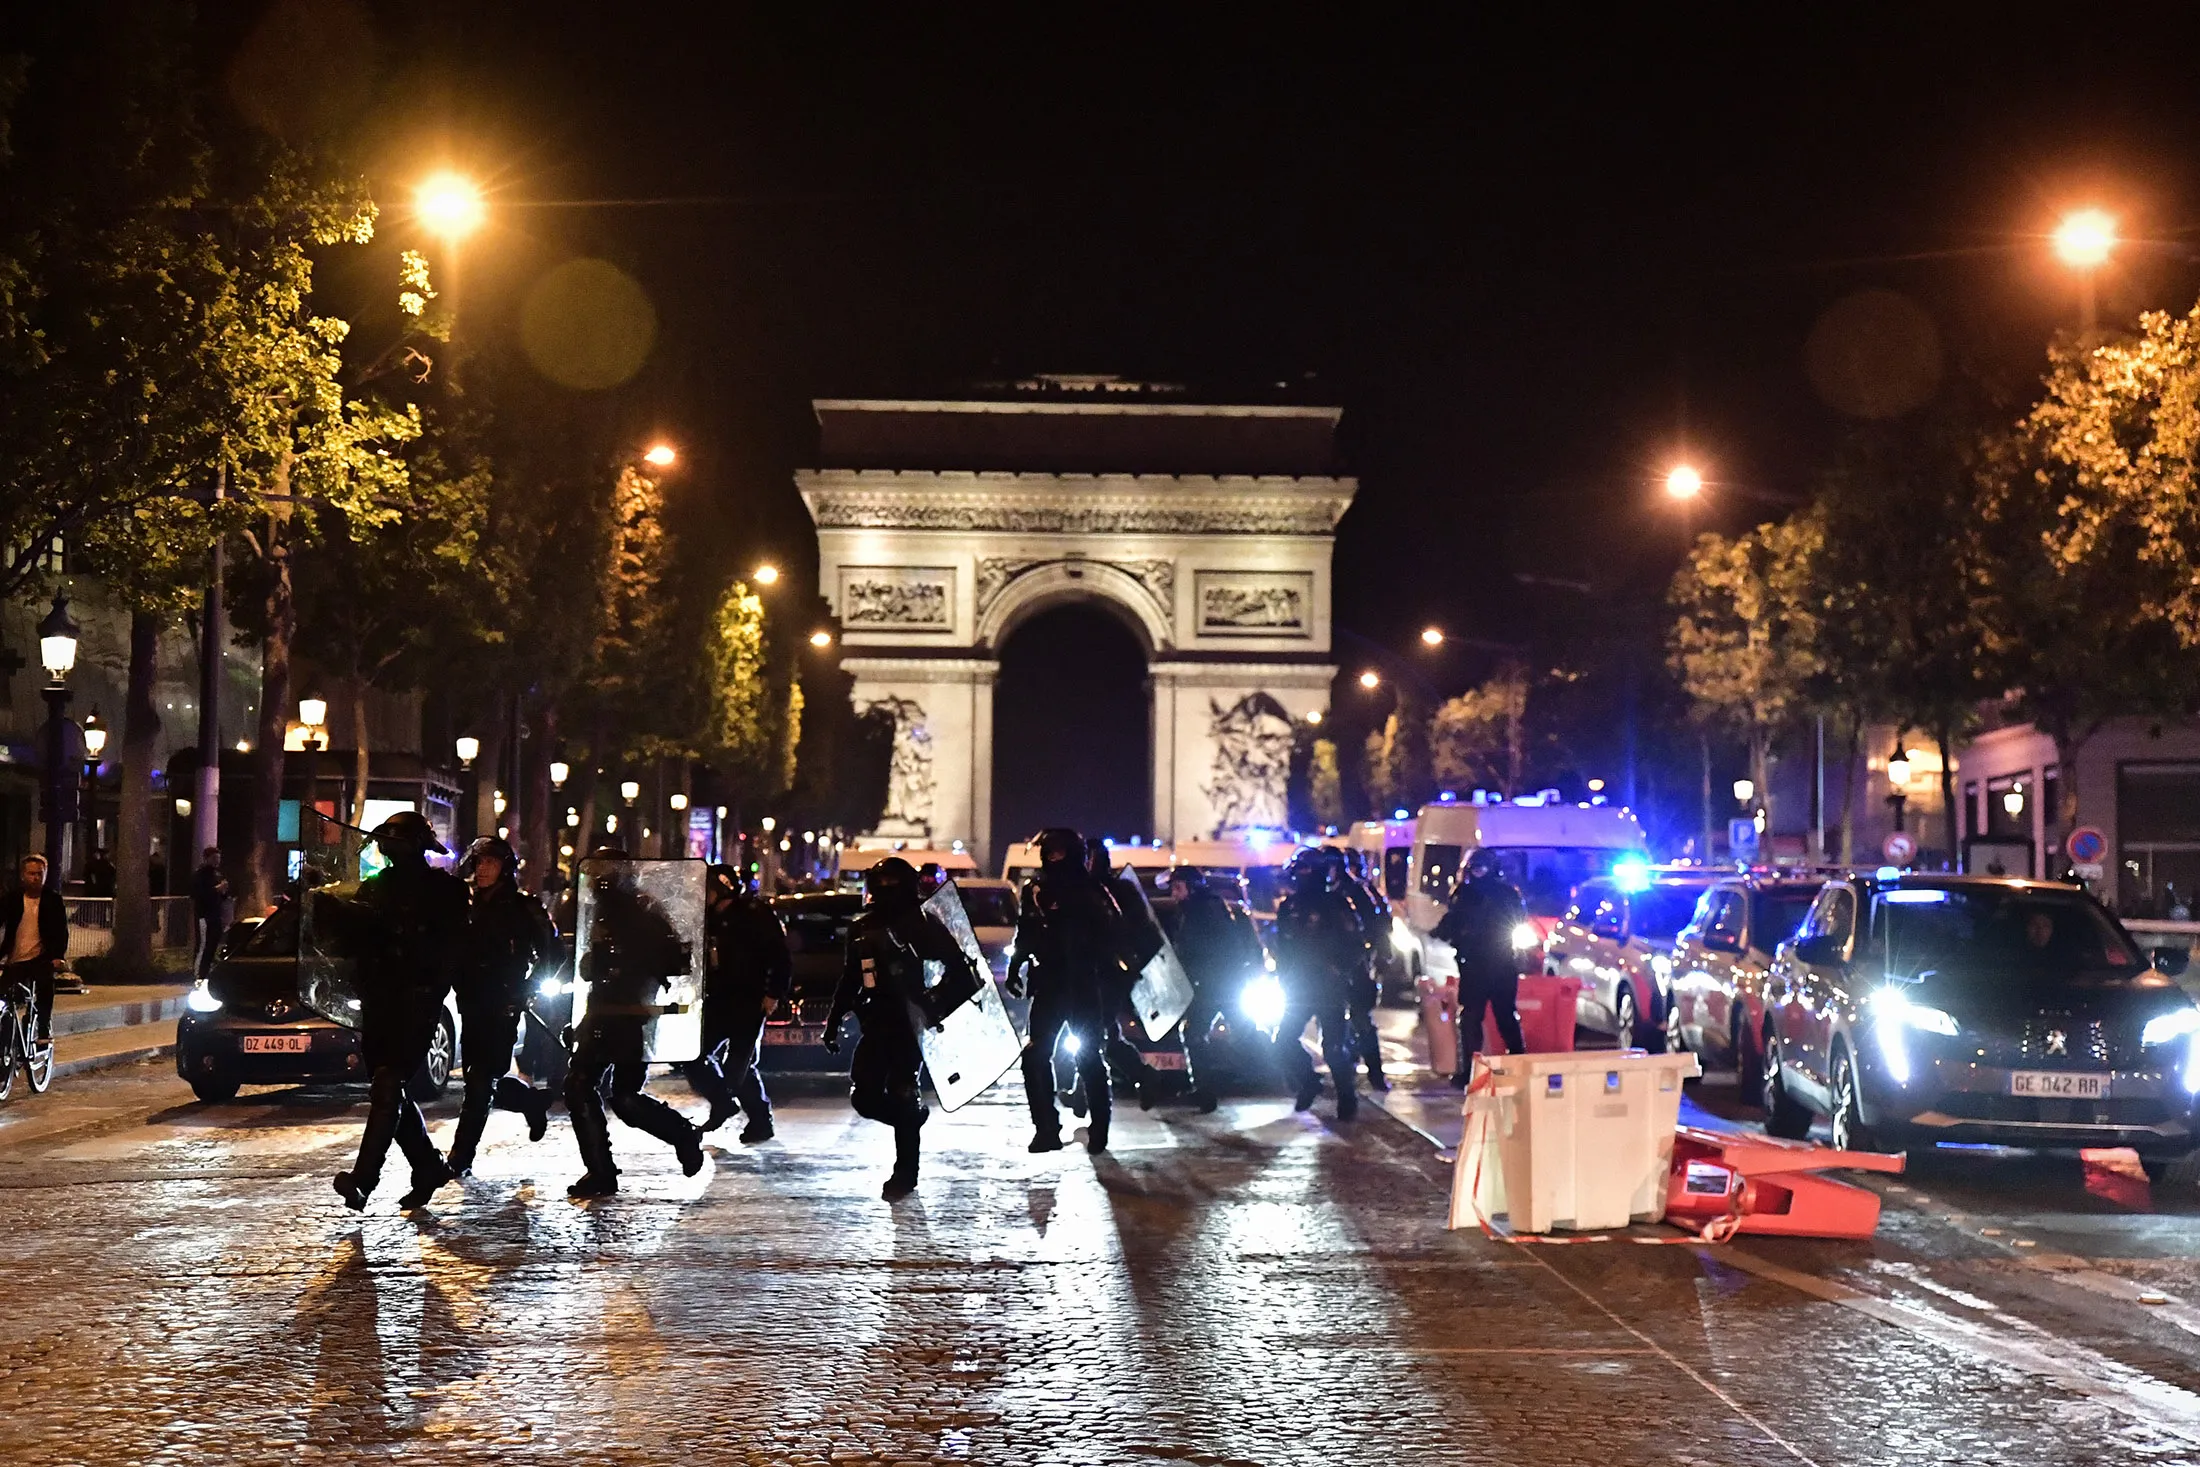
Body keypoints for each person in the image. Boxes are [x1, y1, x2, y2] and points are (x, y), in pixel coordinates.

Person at [323, 812, 471, 1211]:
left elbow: (452, 948)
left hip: (417, 1002)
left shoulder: (447, 890)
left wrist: (434, 986)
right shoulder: (375, 887)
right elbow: (351, 942)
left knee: (389, 1085)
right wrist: (331, 911)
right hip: (379, 1001)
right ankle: (428, 1167)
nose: (389, 849)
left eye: (396, 842)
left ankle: (363, 1181)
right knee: (389, 1090)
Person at [821, 857, 982, 1200]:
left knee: (902, 1091)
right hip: (876, 1020)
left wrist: (932, 1002)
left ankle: (905, 1173)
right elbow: (850, 978)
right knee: (864, 1096)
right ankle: (911, 1118)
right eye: (880, 885)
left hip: (910, 1023)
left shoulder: (921, 924)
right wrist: (833, 1021)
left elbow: (961, 970)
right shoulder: (862, 927)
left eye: (891, 884)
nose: (885, 891)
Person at [564, 850, 707, 1199]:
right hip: (602, 1011)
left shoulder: (643, 913)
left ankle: (681, 1134)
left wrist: (629, 962)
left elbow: (676, 962)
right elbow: (590, 968)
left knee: (624, 1098)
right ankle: (601, 1171)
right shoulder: (601, 913)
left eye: (604, 874)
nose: (598, 881)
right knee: (582, 1087)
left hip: (632, 1014)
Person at [446, 837, 560, 1178]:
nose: (483, 869)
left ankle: (460, 1156)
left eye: (491, 863)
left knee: (481, 1079)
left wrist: (526, 988)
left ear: (505, 868)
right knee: (478, 1078)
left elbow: (553, 953)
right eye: (479, 862)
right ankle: (531, 1102)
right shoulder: (466, 905)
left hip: (503, 1003)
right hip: (471, 1002)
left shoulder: (523, 907)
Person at [1007, 829, 1124, 1153]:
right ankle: (1046, 1128)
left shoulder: (1091, 890)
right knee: (1034, 1056)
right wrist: (1016, 965)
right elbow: (1026, 931)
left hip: (1082, 984)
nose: (1051, 857)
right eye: (1048, 852)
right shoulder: (1035, 890)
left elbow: (1114, 931)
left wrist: (1104, 971)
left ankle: (1099, 1128)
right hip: (1049, 983)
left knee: (1088, 1057)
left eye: (1057, 852)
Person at [683, 863, 793, 1142]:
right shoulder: (704, 918)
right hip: (716, 1000)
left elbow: (779, 956)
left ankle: (760, 1121)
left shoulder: (754, 914)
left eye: (707, 889)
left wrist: (773, 993)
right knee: (693, 1056)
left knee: (739, 1065)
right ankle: (723, 1102)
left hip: (749, 1000)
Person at [1269, 851, 1364, 1120]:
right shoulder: (1289, 907)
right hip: (1298, 986)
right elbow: (1283, 948)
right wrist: (1282, 975)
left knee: (1333, 1048)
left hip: (1328, 988)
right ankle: (1309, 1081)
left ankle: (1347, 1099)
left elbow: (1356, 944)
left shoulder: (1336, 904)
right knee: (1282, 1042)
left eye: (1304, 870)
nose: (1299, 875)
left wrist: (1339, 969)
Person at [1163, 865, 1264, 1112]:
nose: (1174, 893)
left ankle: (1274, 1072)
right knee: (1200, 1033)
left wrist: (1196, 973)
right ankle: (1204, 1091)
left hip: (1217, 985)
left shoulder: (1206, 910)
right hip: (1212, 984)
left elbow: (1215, 949)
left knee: (1239, 1033)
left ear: (1192, 887)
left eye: (1178, 887)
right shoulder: (1192, 910)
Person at [1434, 849, 1528, 1086]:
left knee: (1500, 1016)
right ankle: (1473, 1069)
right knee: (1473, 1018)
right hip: (1478, 965)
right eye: (1474, 869)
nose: (1477, 873)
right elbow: (1451, 923)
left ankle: (1516, 1063)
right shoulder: (1467, 894)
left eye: (1481, 868)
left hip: (1496, 964)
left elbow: (1517, 922)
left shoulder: (1501, 894)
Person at [1089, 843, 1165, 1108]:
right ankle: (1143, 1075)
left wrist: (1129, 964)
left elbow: (1136, 930)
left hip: (1110, 972)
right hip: (1096, 972)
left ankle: (1088, 1090)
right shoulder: (1091, 890)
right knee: (1100, 1032)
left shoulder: (1114, 892)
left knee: (1095, 1031)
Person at [1324, 847, 1391, 1092]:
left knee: (1361, 1019)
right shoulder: (1322, 892)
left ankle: (1375, 1074)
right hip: (1328, 968)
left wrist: (1377, 955)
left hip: (1355, 965)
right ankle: (1344, 1070)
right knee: (1332, 1022)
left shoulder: (1357, 892)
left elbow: (1377, 925)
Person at [1, 855, 67, 1046]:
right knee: (3, 994)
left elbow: (61, 931)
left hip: (41, 959)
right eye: (31, 873)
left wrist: (58, 956)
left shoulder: (53, 900)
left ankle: (43, 1028)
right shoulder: (12, 899)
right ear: (23, 875)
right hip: (15, 959)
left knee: (45, 988)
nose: (35, 878)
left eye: (39, 874)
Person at [190, 847, 230, 982]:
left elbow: (222, 897)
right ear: (206, 858)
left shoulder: (217, 875)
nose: (217, 861)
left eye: (218, 858)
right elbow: (198, 895)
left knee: (213, 945)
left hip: (216, 915)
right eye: (214, 858)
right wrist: (216, 890)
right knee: (203, 945)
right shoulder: (200, 875)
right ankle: (198, 974)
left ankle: (206, 972)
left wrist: (223, 892)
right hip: (204, 915)